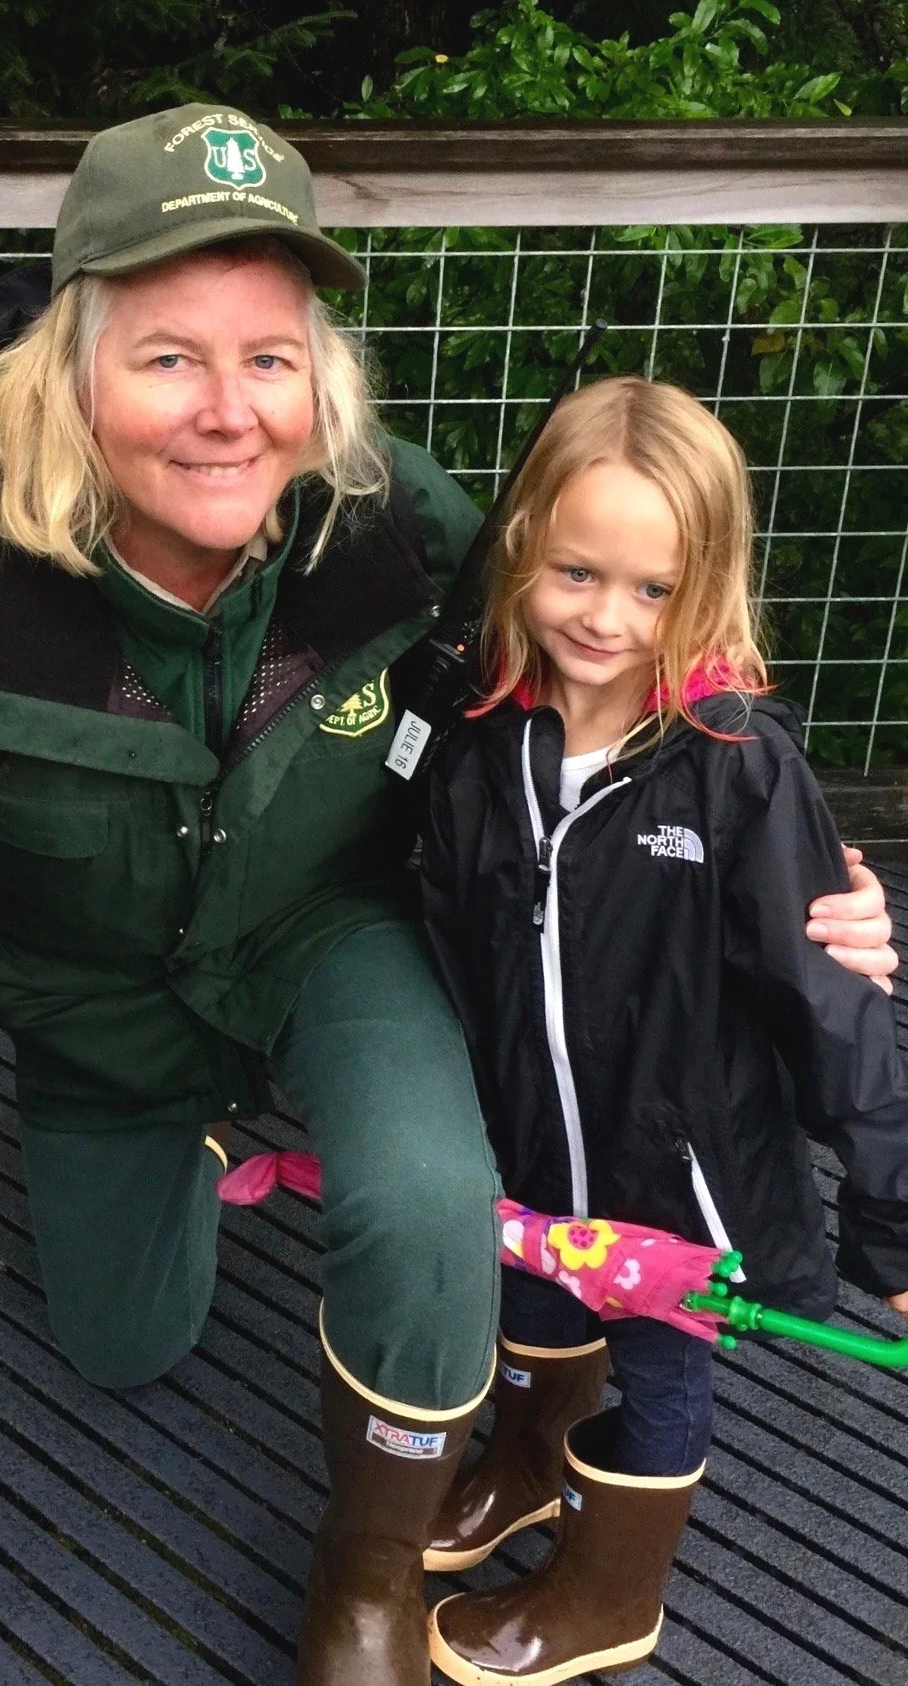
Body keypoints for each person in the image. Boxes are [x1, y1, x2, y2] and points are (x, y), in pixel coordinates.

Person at [0, 107, 896, 1686]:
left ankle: (371, 1570)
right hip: (94, 1003)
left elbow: (601, 650)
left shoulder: (392, 511)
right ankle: (192, 1137)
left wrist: (786, 857)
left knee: (417, 1200)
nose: (226, 411)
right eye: (169, 357)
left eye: (268, 356)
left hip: (338, 931)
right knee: (126, 1349)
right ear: (69, 370)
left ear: (317, 370)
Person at [417, 376, 908, 1686]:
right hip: (522, 1136)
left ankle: (606, 1590)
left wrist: (891, 1210)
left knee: (656, 1372)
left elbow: (833, 1003)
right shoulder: (479, 735)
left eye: (650, 589)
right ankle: (523, 1464)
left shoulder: (734, 763)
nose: (604, 616)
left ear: (703, 587)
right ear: (521, 548)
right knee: (524, 1301)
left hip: (672, 1182)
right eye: (576, 570)